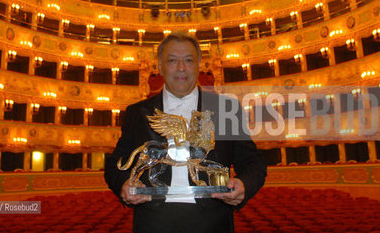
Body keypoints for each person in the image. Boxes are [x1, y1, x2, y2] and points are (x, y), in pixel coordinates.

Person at [105, 32, 267, 233]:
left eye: (188, 60)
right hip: (153, 221)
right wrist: (123, 185)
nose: (181, 68)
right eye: (172, 60)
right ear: (160, 65)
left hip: (212, 221)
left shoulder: (226, 109)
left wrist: (244, 184)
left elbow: (253, 162)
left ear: (198, 64)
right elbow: (115, 164)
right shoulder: (137, 112)